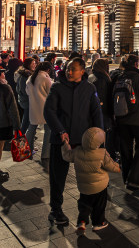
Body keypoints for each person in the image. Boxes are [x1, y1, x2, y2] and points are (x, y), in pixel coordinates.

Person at [44, 58, 102, 226]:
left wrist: (99, 137)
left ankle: (84, 212)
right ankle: (56, 209)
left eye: (74, 69)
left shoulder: (89, 88)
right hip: (62, 141)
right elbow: (49, 111)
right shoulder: (57, 87)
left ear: (82, 71)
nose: (69, 72)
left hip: (83, 141)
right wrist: (60, 130)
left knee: (86, 179)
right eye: (68, 68)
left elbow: (96, 114)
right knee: (57, 177)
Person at [61, 127, 120, 234]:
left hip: (84, 187)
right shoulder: (102, 153)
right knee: (99, 205)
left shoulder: (77, 151)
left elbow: (66, 155)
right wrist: (118, 167)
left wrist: (66, 144)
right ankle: (98, 223)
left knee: (84, 204)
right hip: (100, 187)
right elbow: (112, 166)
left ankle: (82, 221)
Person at [114, 54, 139, 190]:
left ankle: (126, 178)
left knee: (125, 150)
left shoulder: (120, 77)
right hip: (138, 120)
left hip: (122, 119)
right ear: (136, 64)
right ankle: (135, 179)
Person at [27, 61, 54, 169]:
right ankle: (46, 154)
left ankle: (27, 150)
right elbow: (51, 93)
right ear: (48, 70)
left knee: (31, 128)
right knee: (49, 130)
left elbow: (27, 91)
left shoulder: (31, 78)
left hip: (33, 107)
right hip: (45, 108)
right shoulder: (45, 78)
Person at [88, 59, 116, 161]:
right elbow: (102, 99)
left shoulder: (91, 76)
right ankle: (104, 159)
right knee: (103, 138)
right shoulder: (102, 79)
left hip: (93, 113)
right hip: (102, 114)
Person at [15, 57, 36, 134]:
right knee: (26, 122)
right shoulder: (25, 75)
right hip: (27, 101)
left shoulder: (27, 74)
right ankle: (20, 139)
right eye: (33, 63)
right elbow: (24, 90)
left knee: (27, 121)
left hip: (26, 100)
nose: (35, 65)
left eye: (35, 63)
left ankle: (23, 138)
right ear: (28, 65)